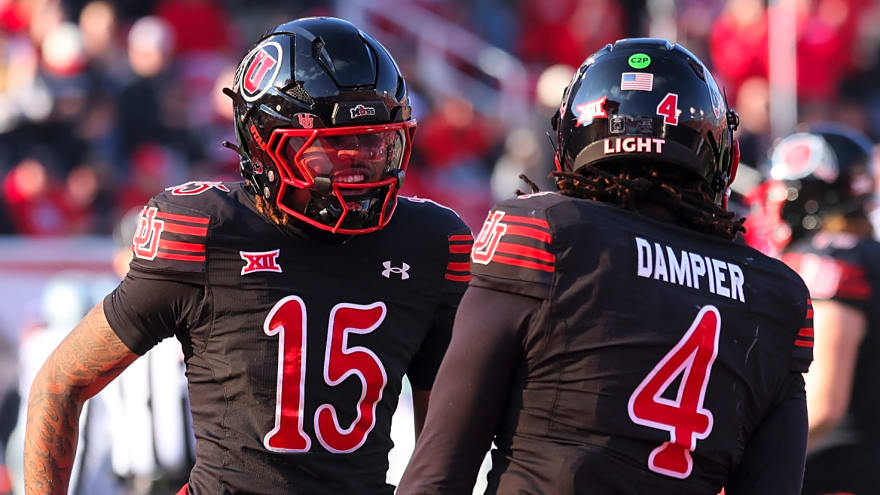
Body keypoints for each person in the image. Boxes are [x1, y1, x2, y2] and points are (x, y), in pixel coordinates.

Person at [24, 17, 472, 495]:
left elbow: (444, 446)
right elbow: (59, 383)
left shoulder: (428, 242)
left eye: (375, 141)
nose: (359, 163)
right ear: (264, 144)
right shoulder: (209, 231)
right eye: (333, 145)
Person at [398, 38, 813, 494]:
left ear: (569, 141)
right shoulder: (778, 294)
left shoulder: (545, 232)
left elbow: (439, 472)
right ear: (722, 160)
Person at [754, 125, 879, 494]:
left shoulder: (832, 263)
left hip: (837, 473)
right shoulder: (865, 256)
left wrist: (752, 464)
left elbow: (823, 404)